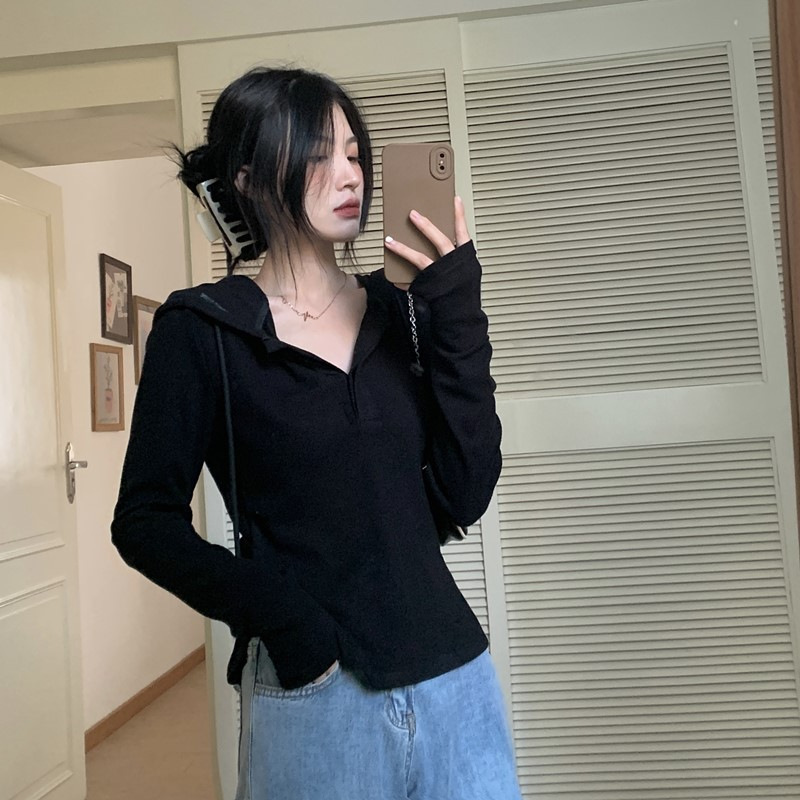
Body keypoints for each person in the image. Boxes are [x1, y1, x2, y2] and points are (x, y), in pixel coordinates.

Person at [111, 65, 521, 800]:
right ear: (248, 178)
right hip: (316, 696)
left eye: (355, 154)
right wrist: (288, 622)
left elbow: (466, 491)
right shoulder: (202, 330)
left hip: (455, 682)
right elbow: (144, 521)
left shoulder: (401, 310)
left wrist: (457, 305)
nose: (350, 174)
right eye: (318, 153)